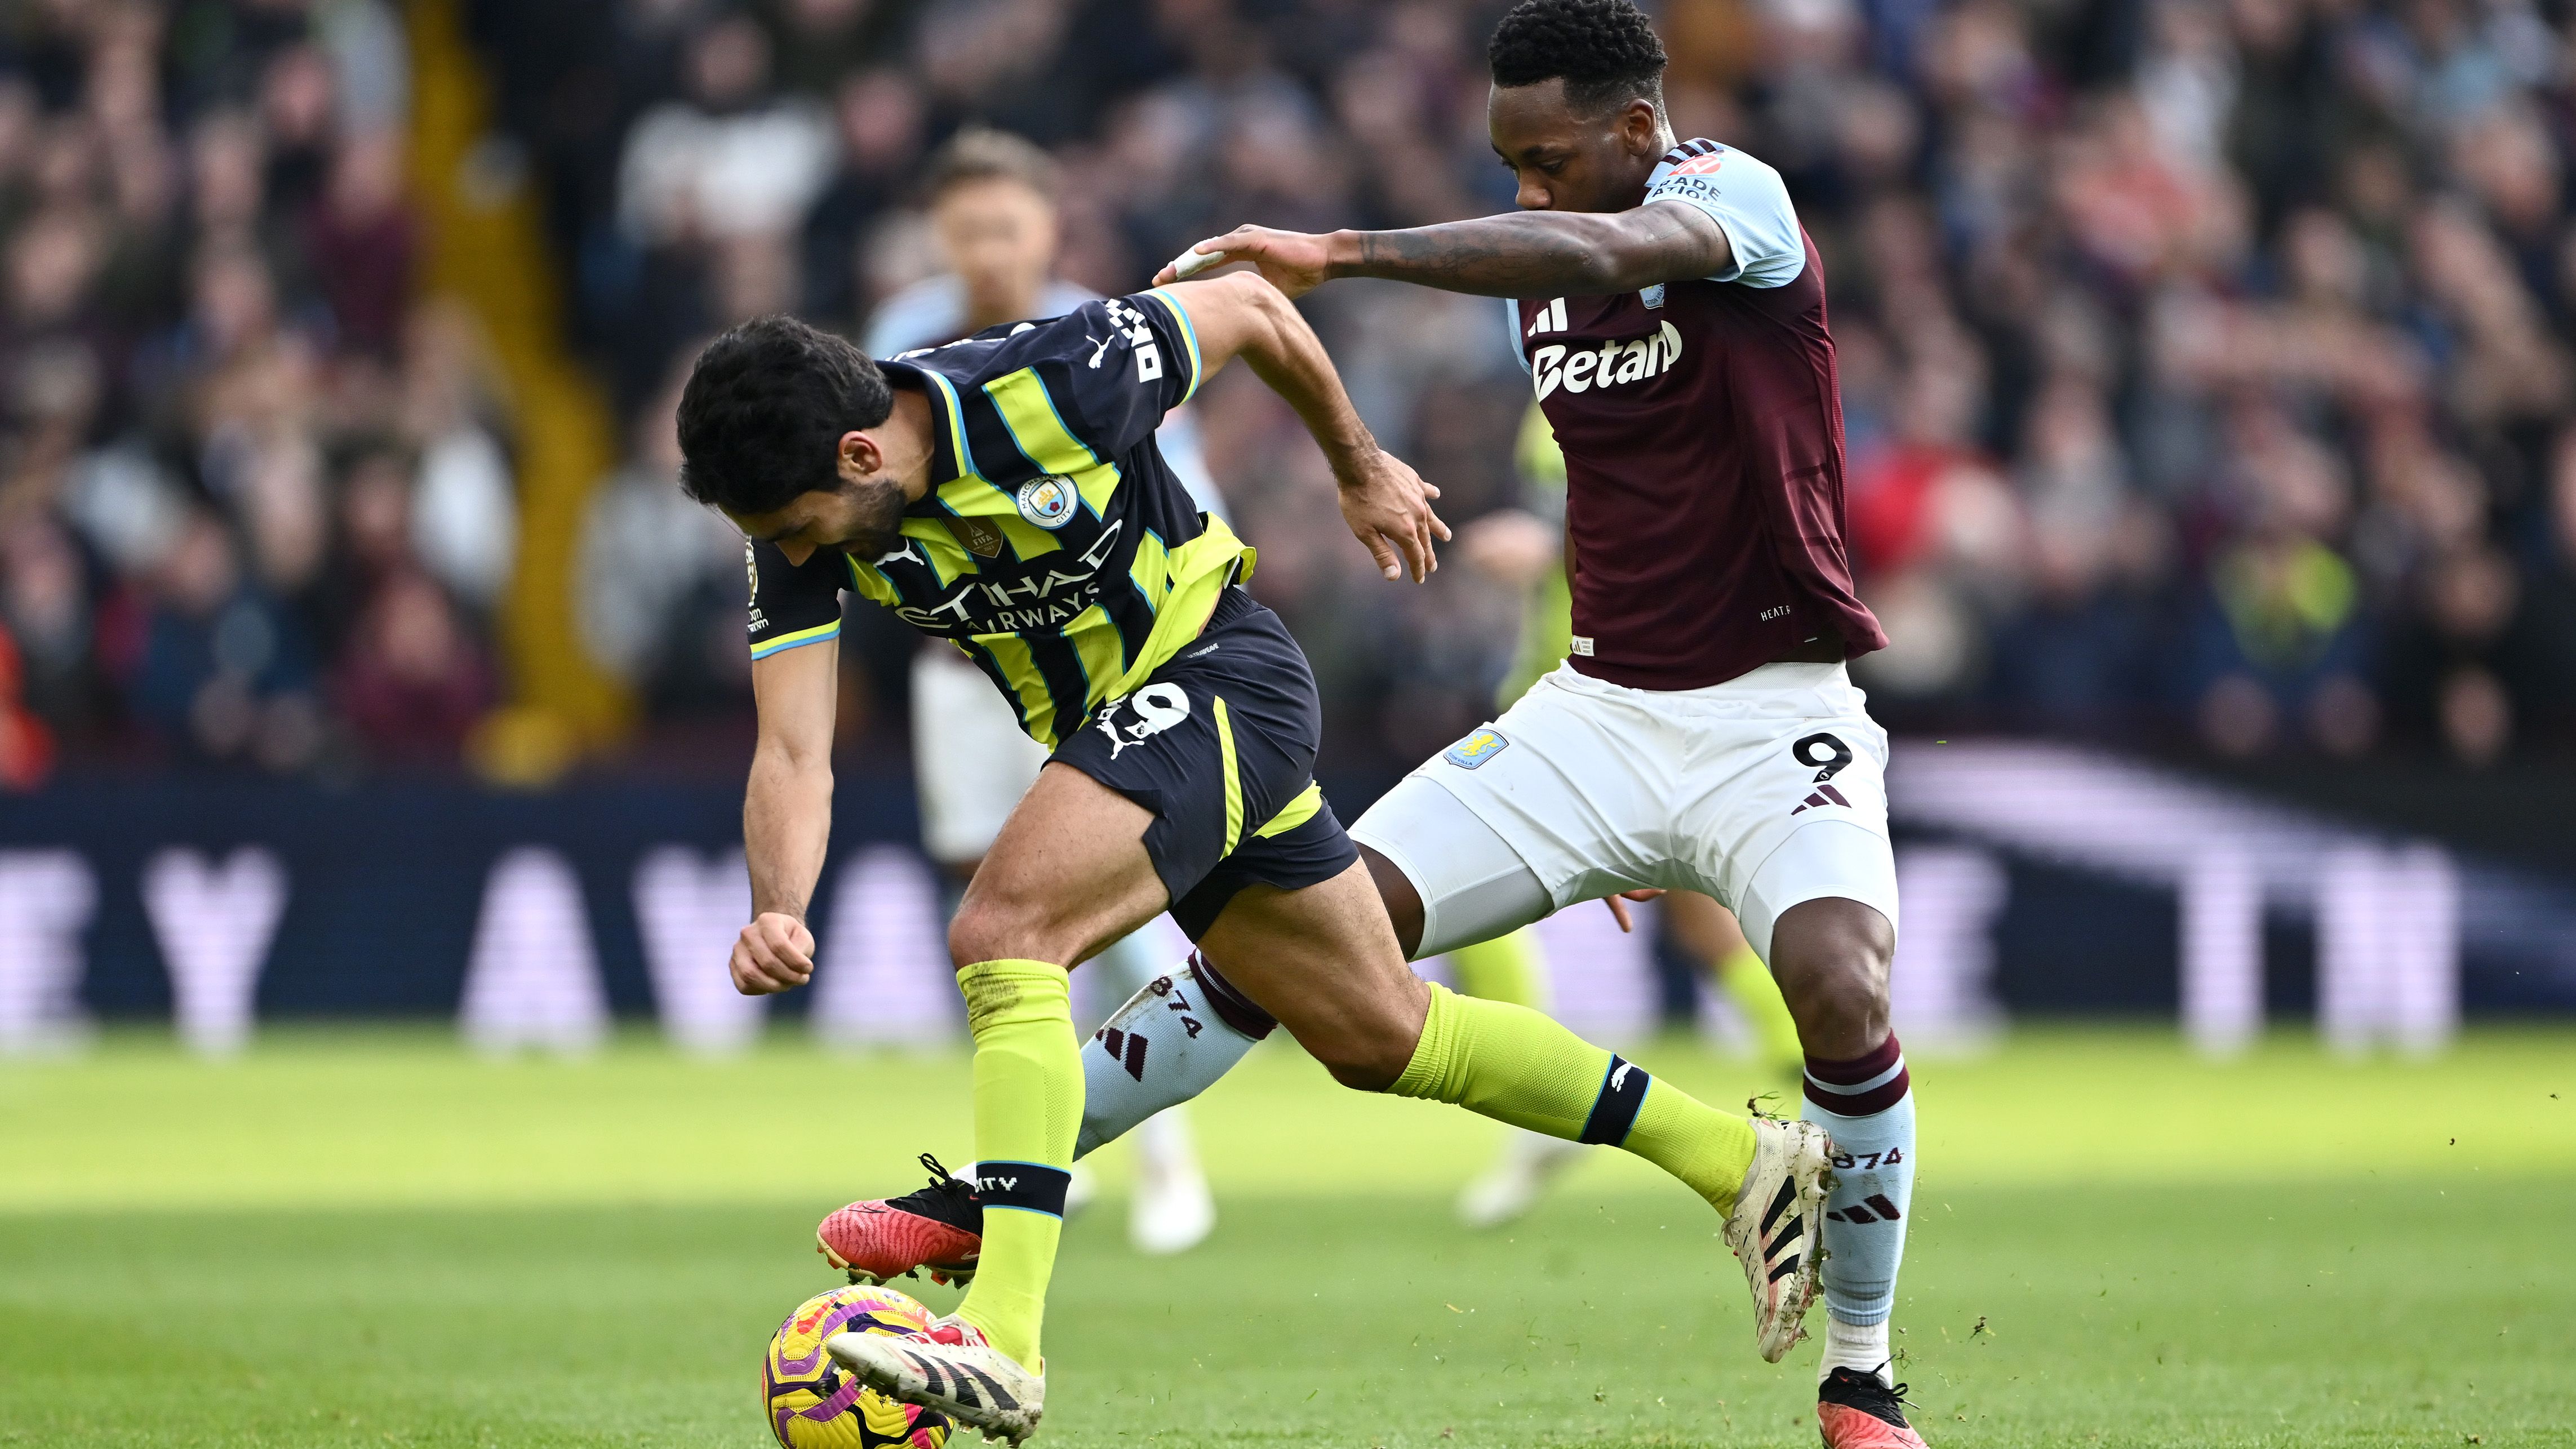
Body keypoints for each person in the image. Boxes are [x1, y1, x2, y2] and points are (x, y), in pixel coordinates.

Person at [828, 2, 1922, 1444]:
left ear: (1642, 133)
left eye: (1544, 159)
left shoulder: (1735, 200)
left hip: (1776, 713)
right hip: (1593, 716)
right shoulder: (1542, 269)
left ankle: (1861, 1374)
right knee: (1293, 942)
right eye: (1506, 162)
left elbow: (1602, 247)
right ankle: (992, 1193)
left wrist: (1336, 254)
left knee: (1839, 989)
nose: (1526, 189)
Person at [682, 273, 1837, 1441]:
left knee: (1002, 931)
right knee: (1383, 1031)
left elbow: (1251, 307)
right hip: (1136, 735)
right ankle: (1741, 1159)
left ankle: (1005, 1333)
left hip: (1221, 676)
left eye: (793, 527)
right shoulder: (794, 528)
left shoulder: (1048, 381)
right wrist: (777, 902)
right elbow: (791, 747)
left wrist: (1357, 464)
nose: (789, 551)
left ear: (862, 456)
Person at [848, 127, 1218, 1259]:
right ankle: (1043, 1145)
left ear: (1049, 230)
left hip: (1098, 670)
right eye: (965, 229)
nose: (986, 248)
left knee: (1111, 900)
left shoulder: (1097, 338)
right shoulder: (897, 342)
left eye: (1006, 226)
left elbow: (1183, 484)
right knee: (990, 908)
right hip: (958, 675)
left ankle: (1167, 1157)